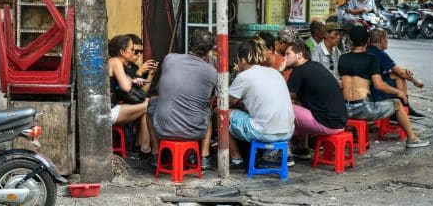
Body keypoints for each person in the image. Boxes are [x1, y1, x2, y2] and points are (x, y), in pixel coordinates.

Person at [338, 26, 429, 148]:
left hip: (344, 109)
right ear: (367, 41)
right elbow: (379, 85)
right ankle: (412, 139)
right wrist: (399, 92)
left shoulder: (343, 58)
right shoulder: (371, 58)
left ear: (350, 40)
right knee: (397, 103)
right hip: (364, 109)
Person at [147, 29, 217, 169]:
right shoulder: (212, 72)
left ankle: (155, 153)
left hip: (163, 129)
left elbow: (161, 88)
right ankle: (204, 156)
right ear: (209, 51)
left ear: (189, 43)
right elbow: (210, 99)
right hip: (195, 131)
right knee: (208, 110)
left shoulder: (170, 59)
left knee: (152, 102)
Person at [228, 38, 295, 168]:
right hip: (288, 132)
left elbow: (224, 102)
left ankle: (236, 159)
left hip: (264, 133)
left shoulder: (244, 76)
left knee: (221, 114)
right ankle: (285, 153)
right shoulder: (275, 72)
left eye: (238, 60)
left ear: (242, 60)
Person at [286, 42, 347, 160]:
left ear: (299, 55)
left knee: (284, 108)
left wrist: (279, 69)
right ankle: (302, 149)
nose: (285, 57)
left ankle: (285, 153)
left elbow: (284, 98)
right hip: (340, 122)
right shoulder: (315, 66)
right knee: (299, 105)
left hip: (327, 123)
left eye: (288, 54)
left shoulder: (299, 71)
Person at [108, 35, 152, 156]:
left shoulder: (119, 64)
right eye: (132, 49)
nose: (134, 53)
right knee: (150, 103)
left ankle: (144, 149)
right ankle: (146, 150)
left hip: (113, 108)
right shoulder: (115, 61)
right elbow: (126, 87)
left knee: (147, 108)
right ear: (122, 51)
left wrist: (132, 80)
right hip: (109, 112)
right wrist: (132, 80)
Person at [367, 29, 425, 118]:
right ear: (381, 40)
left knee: (395, 74)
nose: (387, 41)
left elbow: (395, 70)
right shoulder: (381, 54)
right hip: (375, 90)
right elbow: (400, 72)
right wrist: (416, 81)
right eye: (386, 38)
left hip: (367, 86)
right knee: (399, 77)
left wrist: (404, 72)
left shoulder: (368, 49)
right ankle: (404, 107)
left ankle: (405, 107)